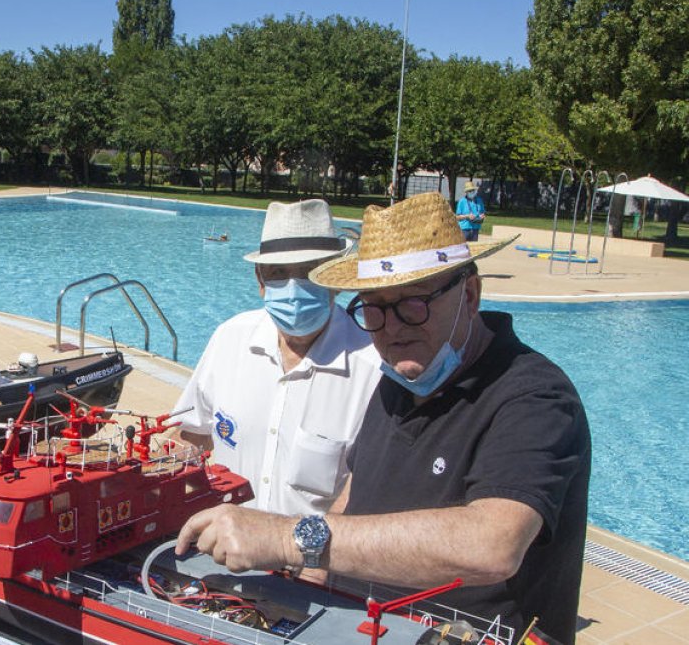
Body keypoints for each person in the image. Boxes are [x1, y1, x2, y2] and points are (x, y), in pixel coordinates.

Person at [177, 192, 589, 645]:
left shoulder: (534, 395)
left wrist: (286, 537)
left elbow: (493, 545)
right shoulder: (401, 380)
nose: (391, 328)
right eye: (374, 307)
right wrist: (306, 576)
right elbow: (358, 489)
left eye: (414, 304)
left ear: (468, 293)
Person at [174, 200, 382, 516]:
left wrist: (308, 555)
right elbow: (190, 434)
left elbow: (368, 488)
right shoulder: (230, 339)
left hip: (313, 561)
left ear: (335, 280)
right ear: (260, 280)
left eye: (310, 272)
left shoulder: (371, 368)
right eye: (278, 273)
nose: (293, 287)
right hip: (222, 552)